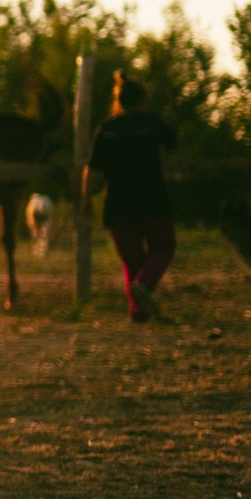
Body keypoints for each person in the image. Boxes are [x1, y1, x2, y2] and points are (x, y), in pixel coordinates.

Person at [86, 71, 177, 321]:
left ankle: (138, 313)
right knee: (164, 246)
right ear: (143, 100)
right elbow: (173, 142)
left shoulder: (107, 130)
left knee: (132, 260)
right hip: (154, 201)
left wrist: (86, 199)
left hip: (118, 205)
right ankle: (145, 286)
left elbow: (93, 174)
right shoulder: (152, 123)